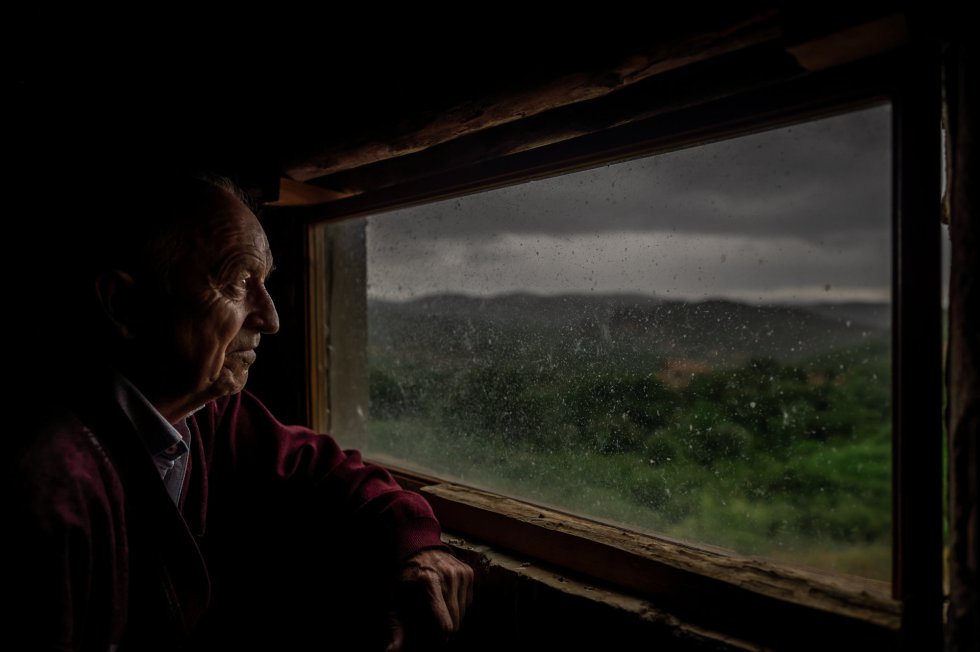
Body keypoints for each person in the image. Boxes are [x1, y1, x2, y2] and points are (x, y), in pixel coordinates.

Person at [4, 172, 473, 651]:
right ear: (124, 305)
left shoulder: (204, 414)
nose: (270, 319)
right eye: (235, 283)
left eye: (265, 283)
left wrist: (418, 544)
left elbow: (325, 470)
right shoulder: (48, 484)